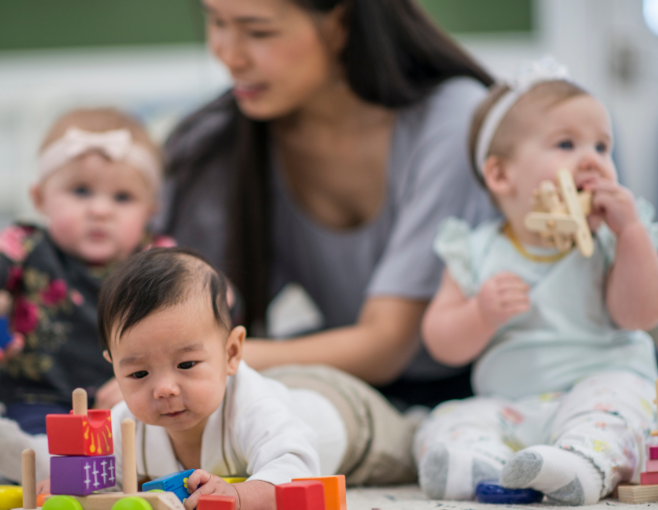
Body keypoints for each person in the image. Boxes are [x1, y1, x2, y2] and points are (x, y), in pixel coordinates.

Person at [161, 0, 497, 411]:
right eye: (216, 21)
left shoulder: (453, 118)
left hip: (479, 391)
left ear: (340, 24)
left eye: (259, 31)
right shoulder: (214, 142)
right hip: (349, 386)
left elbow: (385, 346)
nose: (228, 54)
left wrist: (188, 363)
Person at [413, 60, 658, 505]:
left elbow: (639, 315)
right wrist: (480, 314)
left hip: (601, 384)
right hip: (512, 403)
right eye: (566, 143)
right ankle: (478, 463)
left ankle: (583, 462)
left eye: (603, 147)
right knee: (449, 418)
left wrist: (632, 235)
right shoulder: (475, 249)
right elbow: (440, 341)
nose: (593, 161)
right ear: (501, 175)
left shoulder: (614, 238)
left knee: (617, 409)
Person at [41, 247, 419, 510]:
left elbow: (299, 470)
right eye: (138, 374)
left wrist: (239, 496)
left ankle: (421, 422)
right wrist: (66, 484)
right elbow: (98, 471)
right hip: (279, 386)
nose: (164, 388)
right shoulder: (127, 422)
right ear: (114, 368)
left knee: (410, 445)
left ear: (232, 353)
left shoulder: (253, 408)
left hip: (346, 413)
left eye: (186, 364)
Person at [0, 108, 174, 481]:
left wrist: (216, 293)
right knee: (31, 433)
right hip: (42, 396)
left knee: (154, 433)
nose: (100, 210)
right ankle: (35, 457)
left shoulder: (158, 257)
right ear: (40, 198)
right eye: (81, 191)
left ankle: (104, 464)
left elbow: (191, 298)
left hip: (126, 396)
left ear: (150, 211)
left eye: (122, 198)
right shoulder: (25, 243)